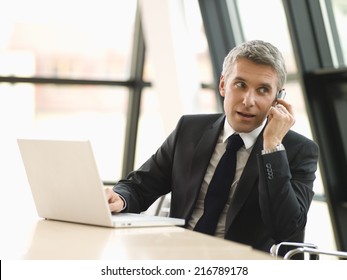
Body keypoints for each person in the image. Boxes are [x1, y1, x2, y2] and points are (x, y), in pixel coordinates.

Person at [105, 40, 319, 257]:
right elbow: (141, 185)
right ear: (223, 85)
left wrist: (272, 148)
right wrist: (119, 198)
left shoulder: (298, 151)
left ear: (277, 99)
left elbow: (286, 229)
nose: (248, 101)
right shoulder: (189, 130)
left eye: (263, 90)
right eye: (240, 85)